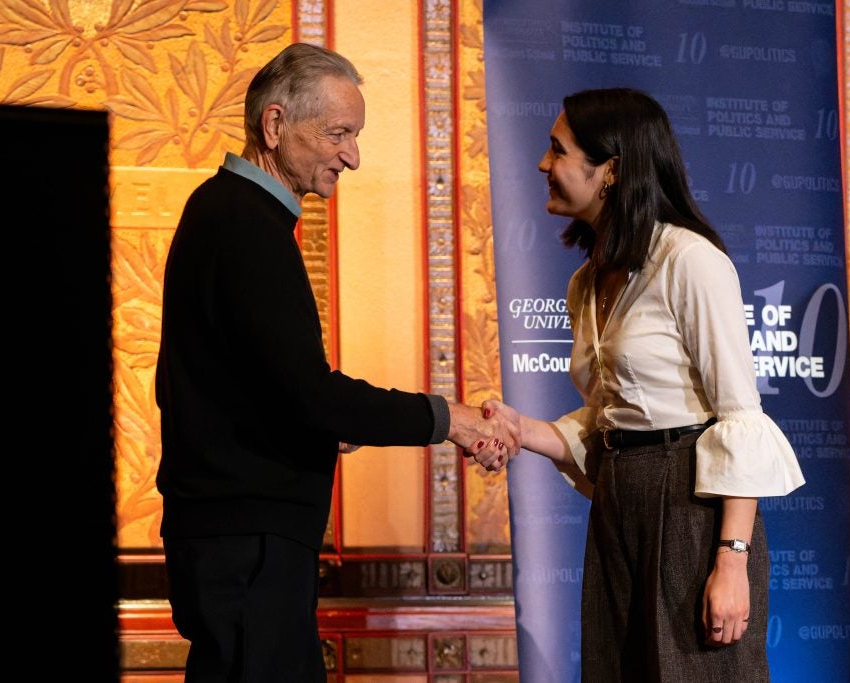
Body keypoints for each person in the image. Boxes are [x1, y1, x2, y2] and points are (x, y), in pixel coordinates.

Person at [154, 42, 517, 682]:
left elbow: (259, 388)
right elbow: (309, 394)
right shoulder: (244, 224)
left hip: (241, 538)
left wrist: (323, 421)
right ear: (274, 125)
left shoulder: (235, 215)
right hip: (248, 542)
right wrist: (451, 419)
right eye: (338, 134)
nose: (352, 155)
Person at [484, 87, 805, 681]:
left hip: (690, 505)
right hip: (618, 497)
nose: (542, 164)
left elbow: (739, 413)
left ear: (610, 170)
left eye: (557, 150)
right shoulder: (585, 282)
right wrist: (518, 429)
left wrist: (730, 562)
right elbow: (611, 418)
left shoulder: (689, 260)